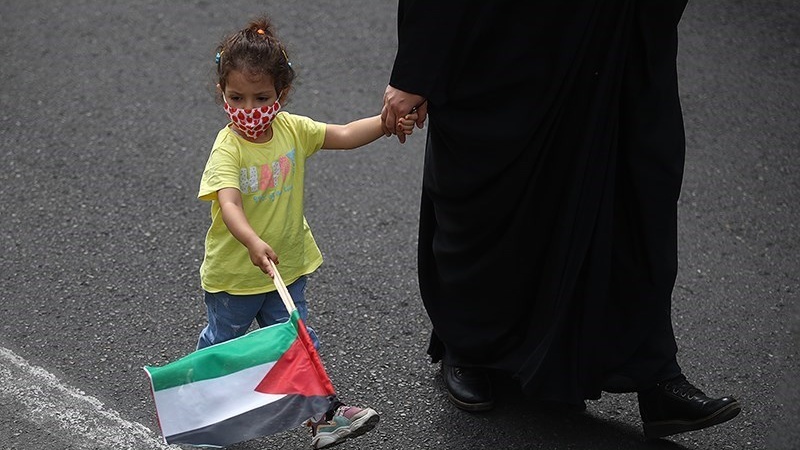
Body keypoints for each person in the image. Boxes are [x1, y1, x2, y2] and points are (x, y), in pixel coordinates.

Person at [380, 0, 741, 440]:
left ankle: (653, 372)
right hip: (510, 40)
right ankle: (472, 347)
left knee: (634, 197)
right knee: (494, 195)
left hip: (624, 36)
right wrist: (417, 69)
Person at [196, 16, 417, 449]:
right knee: (223, 348)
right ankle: (201, 415)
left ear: (282, 94)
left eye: (261, 97)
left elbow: (346, 134)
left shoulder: (292, 130)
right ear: (222, 94)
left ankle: (324, 417)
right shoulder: (228, 147)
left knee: (299, 343)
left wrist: (387, 123)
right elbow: (229, 202)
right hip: (236, 277)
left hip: (287, 266)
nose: (248, 108)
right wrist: (252, 241)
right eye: (236, 97)